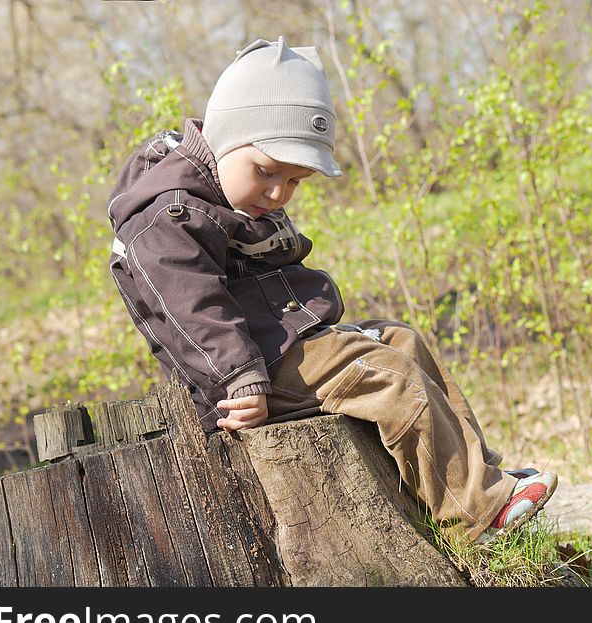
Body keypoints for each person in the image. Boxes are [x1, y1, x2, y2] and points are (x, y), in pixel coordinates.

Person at [107, 36, 556, 544]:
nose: (278, 193)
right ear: (223, 140)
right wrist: (239, 379)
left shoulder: (225, 196)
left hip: (287, 343)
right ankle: (474, 517)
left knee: (403, 341)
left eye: (295, 180)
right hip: (252, 369)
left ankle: (480, 479)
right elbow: (191, 309)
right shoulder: (168, 216)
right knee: (390, 378)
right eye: (267, 171)